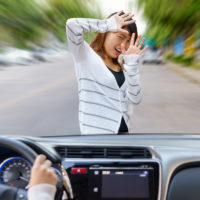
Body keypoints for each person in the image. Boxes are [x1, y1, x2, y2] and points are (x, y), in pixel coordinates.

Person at [66, 10, 148, 135]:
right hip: (98, 139)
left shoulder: (122, 66)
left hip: (124, 136)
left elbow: (135, 100)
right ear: (105, 33)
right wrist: (106, 24)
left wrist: (132, 66)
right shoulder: (85, 55)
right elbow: (72, 25)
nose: (123, 46)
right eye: (120, 37)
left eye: (128, 42)